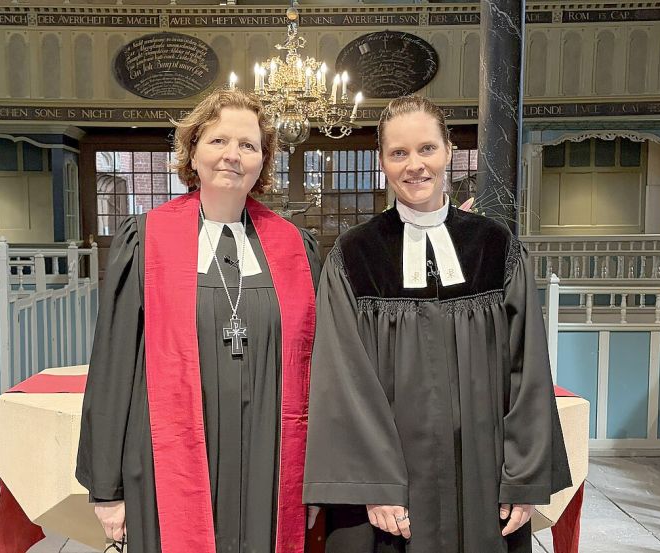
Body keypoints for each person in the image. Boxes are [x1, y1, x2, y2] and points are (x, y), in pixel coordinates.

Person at [303, 95, 571, 553]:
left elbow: (527, 368)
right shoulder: (354, 256)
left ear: (448, 149)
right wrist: (376, 484)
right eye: (399, 153)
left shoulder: (495, 247)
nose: (415, 166)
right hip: (390, 486)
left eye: (427, 148)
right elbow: (343, 378)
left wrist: (523, 478)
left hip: (482, 474)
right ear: (382, 161)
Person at [76, 88, 320, 553]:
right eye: (218, 141)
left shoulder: (295, 248)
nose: (233, 155)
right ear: (192, 151)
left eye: (248, 145)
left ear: (263, 161)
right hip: (167, 461)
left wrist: (312, 480)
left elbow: (318, 373)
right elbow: (113, 364)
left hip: (268, 464)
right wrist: (107, 487)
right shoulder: (147, 239)